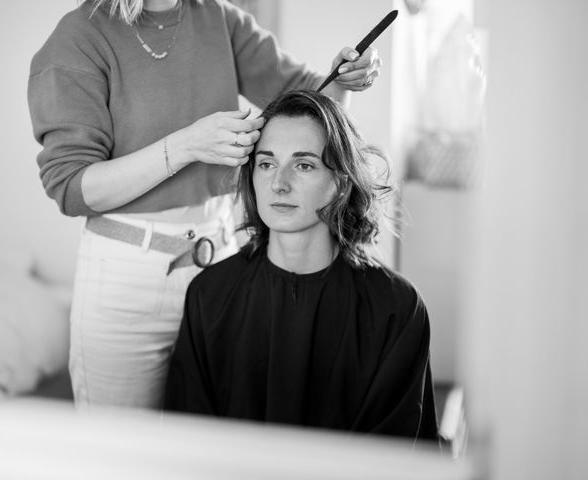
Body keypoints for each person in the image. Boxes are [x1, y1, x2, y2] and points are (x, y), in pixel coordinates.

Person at [27, 0, 381, 409]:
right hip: (127, 282)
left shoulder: (219, 18)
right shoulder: (80, 37)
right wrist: (186, 145)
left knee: (218, 441)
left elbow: (310, 103)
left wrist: (344, 80)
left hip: (223, 265)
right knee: (125, 456)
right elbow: (71, 187)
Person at [164, 90, 438, 439]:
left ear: (341, 181)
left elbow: (392, 458)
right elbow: (188, 443)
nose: (279, 183)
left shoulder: (396, 310)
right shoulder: (209, 295)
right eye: (266, 164)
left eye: (304, 165)